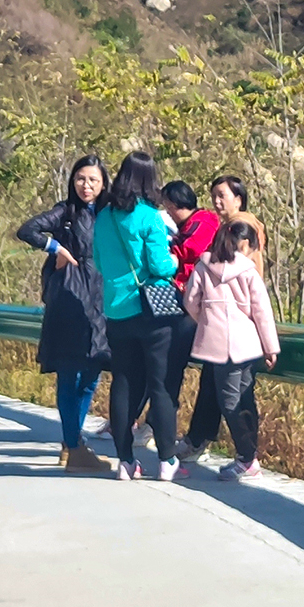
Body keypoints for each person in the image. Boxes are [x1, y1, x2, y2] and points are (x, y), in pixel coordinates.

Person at [17, 155, 114, 473]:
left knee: (92, 374)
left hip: (102, 300)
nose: (86, 186)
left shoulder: (110, 214)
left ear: (103, 184)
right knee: (70, 372)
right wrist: (55, 248)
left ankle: (70, 442)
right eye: (81, 179)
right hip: (71, 300)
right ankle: (74, 446)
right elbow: (27, 230)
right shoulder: (65, 212)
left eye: (93, 180)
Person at [97, 151, 187, 480]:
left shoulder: (104, 216)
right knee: (160, 385)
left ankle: (124, 461)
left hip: (117, 310)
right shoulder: (149, 216)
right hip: (152, 311)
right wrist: (177, 263)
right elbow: (161, 266)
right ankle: (166, 461)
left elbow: (99, 260)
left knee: (123, 382)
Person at [180, 220, 279, 478]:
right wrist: (270, 347)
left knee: (229, 400)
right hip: (247, 344)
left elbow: (190, 301)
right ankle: (248, 456)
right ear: (245, 244)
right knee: (242, 398)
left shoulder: (203, 266)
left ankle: (247, 458)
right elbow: (262, 312)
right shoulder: (248, 271)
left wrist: (207, 319)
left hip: (216, 344)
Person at [187, 174, 263, 452]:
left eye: (223, 196)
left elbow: (251, 280)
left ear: (239, 199)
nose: (217, 202)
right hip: (235, 327)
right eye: (214, 196)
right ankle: (204, 441)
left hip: (235, 325)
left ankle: (244, 453)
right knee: (222, 389)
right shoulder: (232, 227)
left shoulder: (241, 228)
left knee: (232, 396)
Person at [158, 180, 220, 448]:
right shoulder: (183, 227)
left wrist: (167, 250)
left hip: (196, 306)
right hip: (182, 299)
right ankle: (152, 423)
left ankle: (184, 435)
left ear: (174, 203)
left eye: (168, 206)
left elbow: (193, 250)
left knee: (171, 362)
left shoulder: (204, 221)